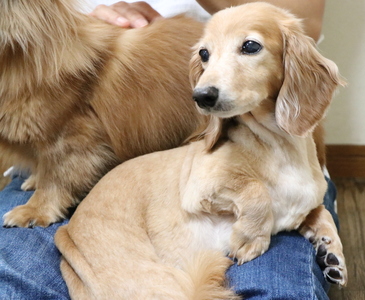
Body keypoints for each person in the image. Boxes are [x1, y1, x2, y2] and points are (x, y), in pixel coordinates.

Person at [0, 1, 339, 299]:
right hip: (54, 170)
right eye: (204, 56)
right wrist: (77, 25)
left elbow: (303, 20)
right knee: (16, 286)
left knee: (274, 291)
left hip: (253, 147)